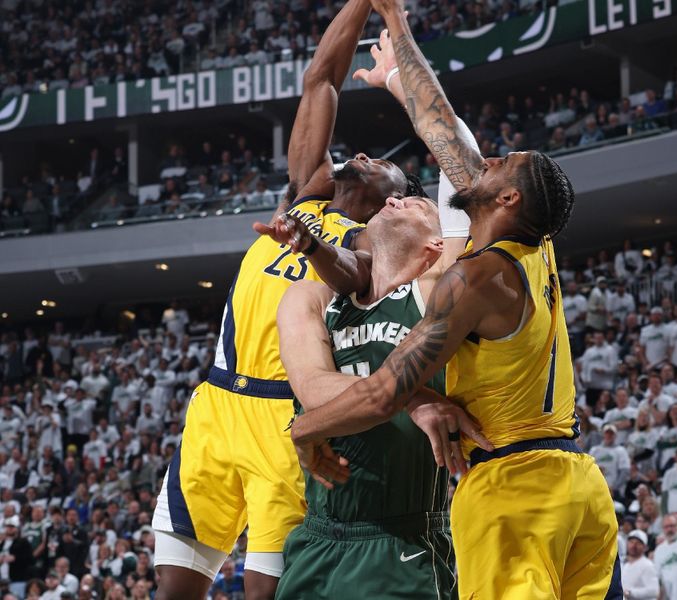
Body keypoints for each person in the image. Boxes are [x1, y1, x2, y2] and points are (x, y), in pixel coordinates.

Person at [284, 2, 621, 597]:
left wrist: (302, 431)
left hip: (514, 492)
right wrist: (396, 30)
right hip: (579, 486)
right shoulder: (531, 249)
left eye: (499, 166)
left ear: (508, 200)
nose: (483, 163)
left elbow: (380, 393)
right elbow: (442, 126)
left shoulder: (474, 279)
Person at [151, 2, 422, 598]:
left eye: (384, 165)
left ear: (395, 200)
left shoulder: (374, 247)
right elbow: (320, 80)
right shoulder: (305, 198)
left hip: (288, 417)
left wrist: (312, 246)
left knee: (266, 591)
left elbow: (351, 275)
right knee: (172, 588)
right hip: (217, 404)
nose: (366, 157)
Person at [272, 196, 483, 598]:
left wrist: (432, 130)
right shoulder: (311, 298)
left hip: (402, 540)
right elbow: (313, 388)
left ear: (436, 246)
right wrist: (411, 397)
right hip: (316, 538)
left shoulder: (434, 294)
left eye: (417, 204)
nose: (392, 200)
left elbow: (466, 196)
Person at [621, 530, 659, 600]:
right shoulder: (625, 565)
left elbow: (654, 591)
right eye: (631, 542)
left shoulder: (647, 565)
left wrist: (630, 593)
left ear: (645, 547)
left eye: (638, 543)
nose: (633, 546)